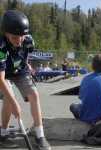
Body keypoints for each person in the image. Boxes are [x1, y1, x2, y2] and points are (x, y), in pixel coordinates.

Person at [0, 10, 51, 150]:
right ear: (5, 33)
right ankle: (2, 132)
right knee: (9, 101)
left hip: (20, 71)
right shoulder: (1, 47)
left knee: (34, 94)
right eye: (14, 37)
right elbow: (1, 79)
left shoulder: (28, 40)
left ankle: (40, 135)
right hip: (4, 74)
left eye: (21, 36)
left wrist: (27, 64)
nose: (19, 40)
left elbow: (25, 54)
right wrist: (15, 102)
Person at [70, 54, 101, 124]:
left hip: (85, 115)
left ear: (93, 65)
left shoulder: (85, 78)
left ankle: (84, 119)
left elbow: (81, 98)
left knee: (73, 106)